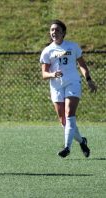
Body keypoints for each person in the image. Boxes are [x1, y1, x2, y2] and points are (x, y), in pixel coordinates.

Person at [40, 19, 97, 158]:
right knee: (63, 120)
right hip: (56, 86)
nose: (54, 32)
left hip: (73, 82)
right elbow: (44, 74)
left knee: (69, 112)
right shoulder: (47, 51)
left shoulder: (72, 47)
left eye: (57, 30)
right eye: (52, 30)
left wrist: (88, 79)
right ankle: (82, 141)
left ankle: (67, 147)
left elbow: (82, 65)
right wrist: (52, 74)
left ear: (63, 33)